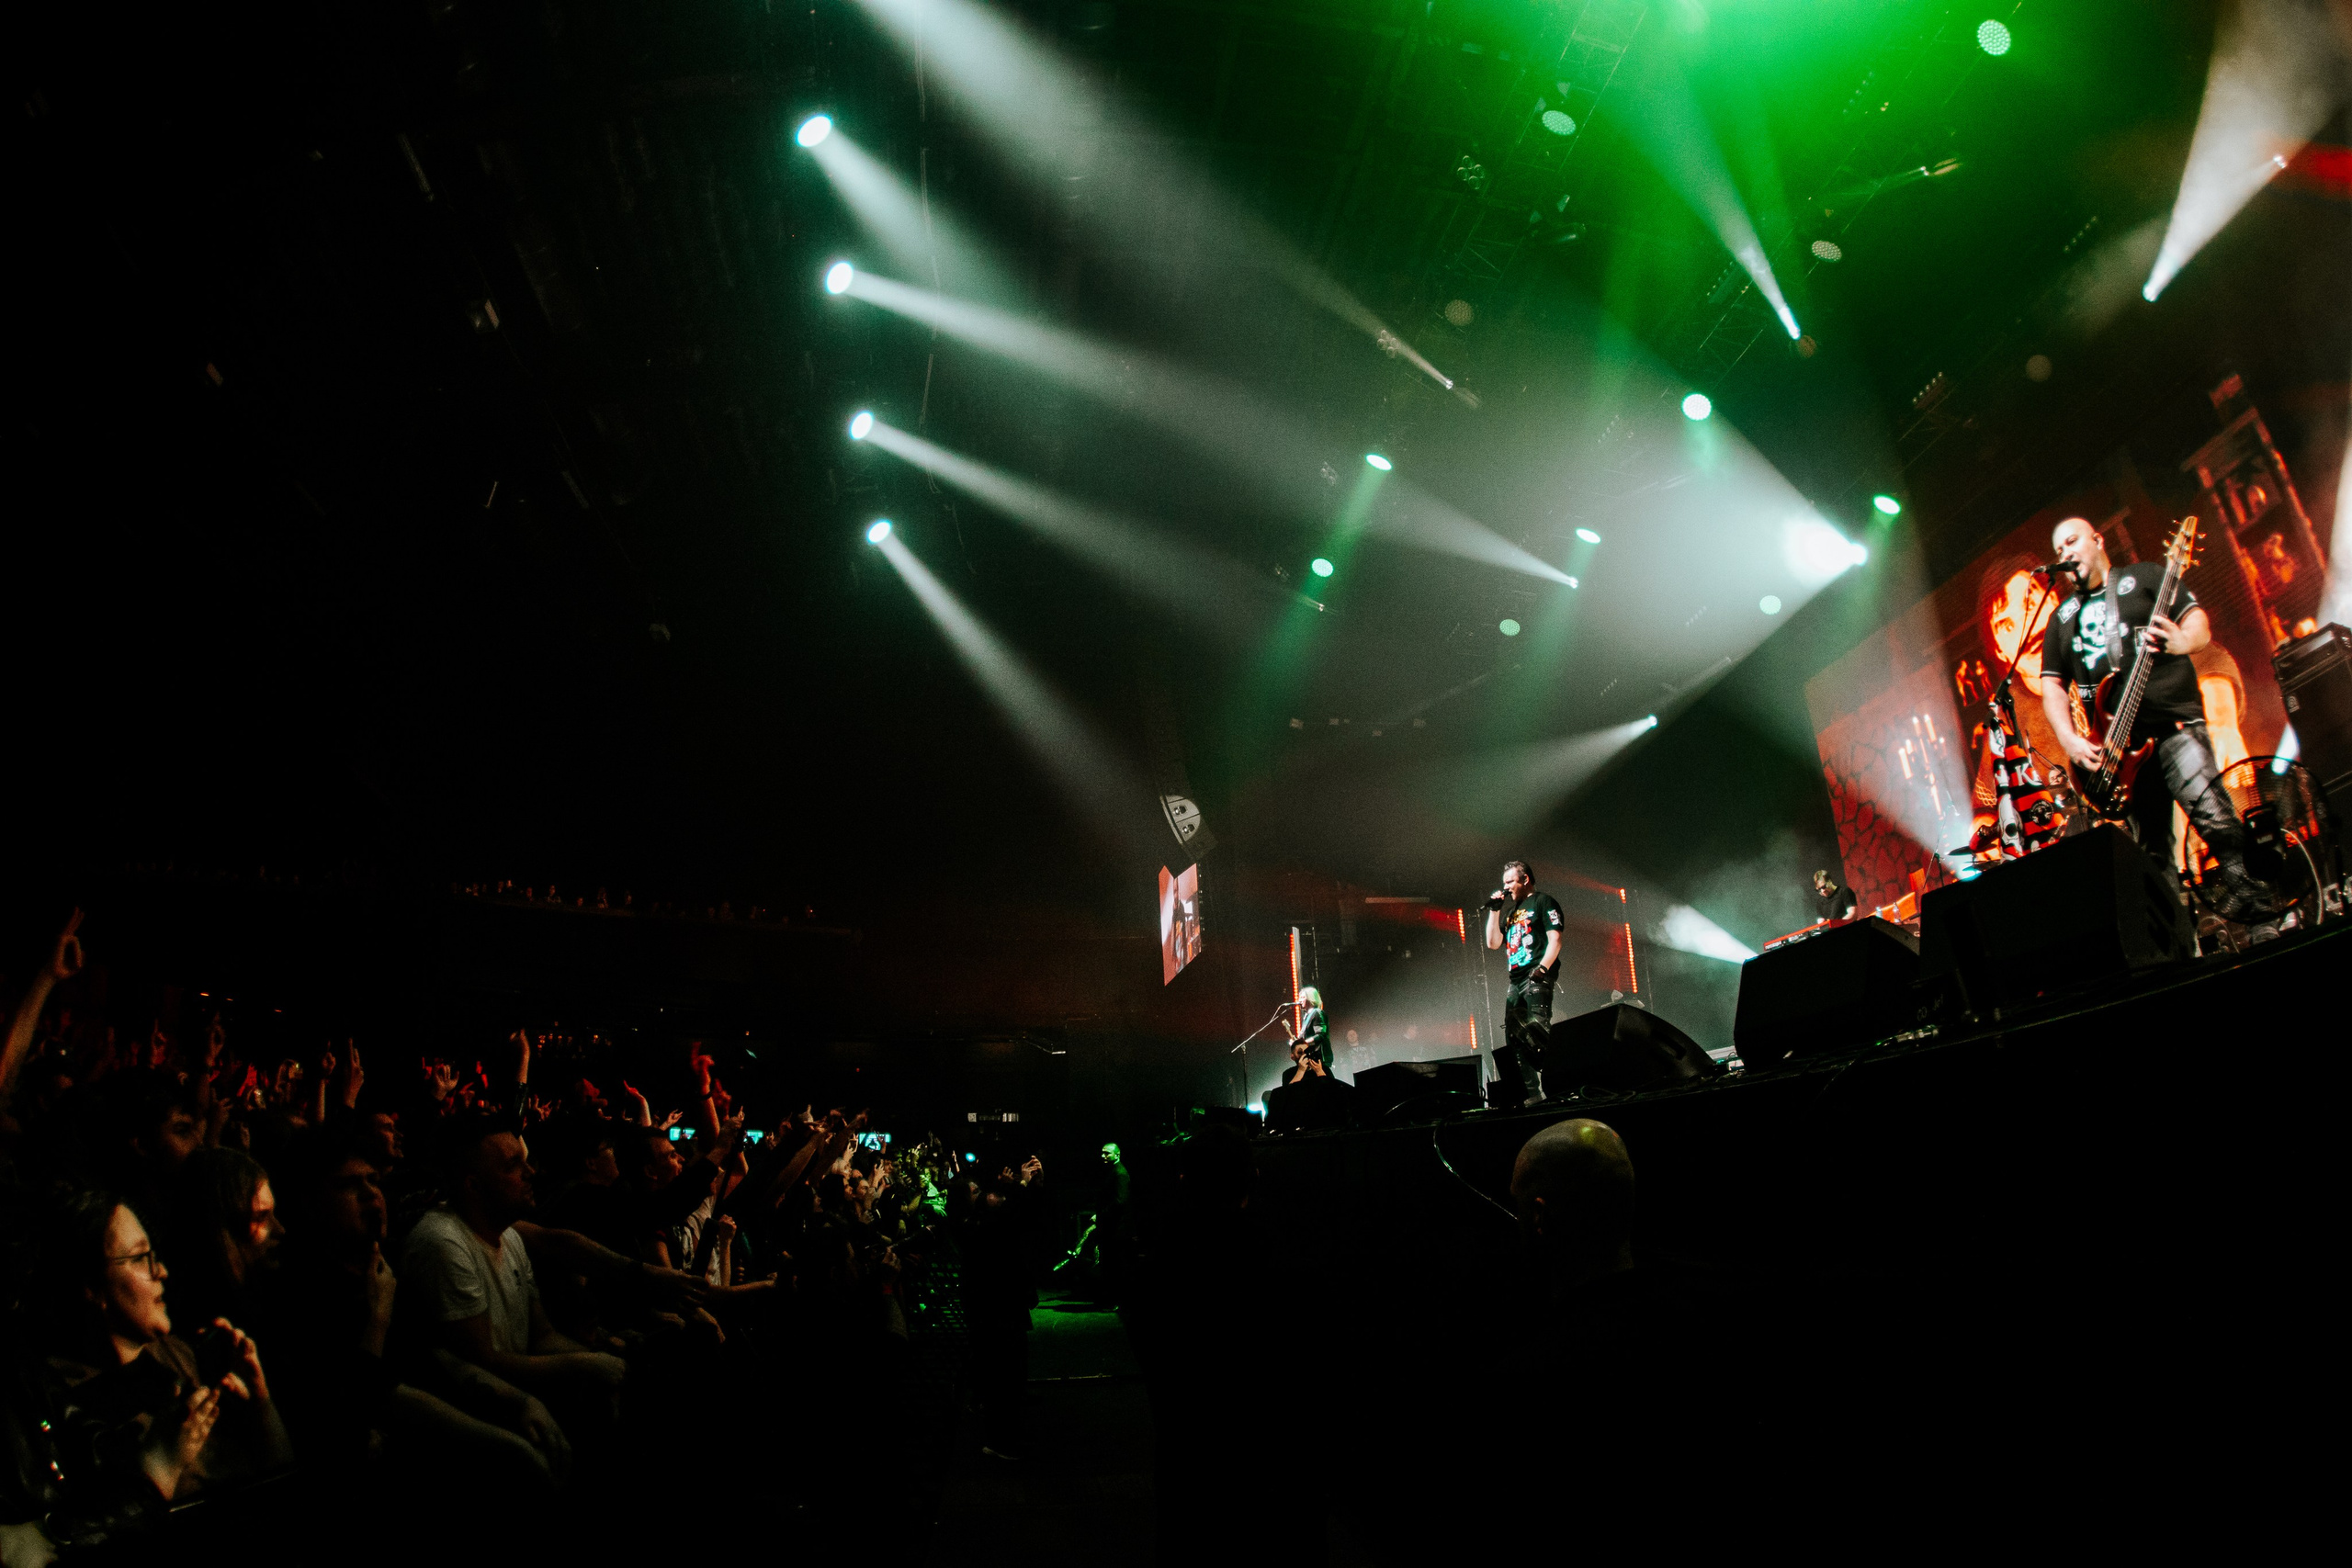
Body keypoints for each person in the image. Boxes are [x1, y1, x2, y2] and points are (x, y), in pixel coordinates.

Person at [2038, 517, 2283, 920]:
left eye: (2072, 541)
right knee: (2153, 856)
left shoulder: (2146, 577)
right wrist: (2069, 740)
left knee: (2216, 821)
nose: (2065, 553)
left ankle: (2263, 919)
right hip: (2123, 754)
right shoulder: (2062, 618)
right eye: (2058, 549)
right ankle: (2181, 945)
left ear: (2098, 540)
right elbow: (2051, 686)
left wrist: (2183, 640)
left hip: (2175, 729)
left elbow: (2197, 621)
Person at [1484, 860, 1563, 1107]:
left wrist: (1543, 968)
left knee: (1537, 1034)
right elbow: (1493, 943)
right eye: (1504, 883)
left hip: (1536, 975)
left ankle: (1559, 1087)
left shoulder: (1543, 902)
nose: (1506, 887)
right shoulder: (1510, 912)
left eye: (1510, 882)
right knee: (1515, 1040)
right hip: (1515, 981)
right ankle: (1532, 1096)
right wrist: (1495, 910)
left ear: (1525, 879)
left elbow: (1555, 939)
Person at [1283, 987, 1330, 1078]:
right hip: (1310, 1059)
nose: (1299, 1000)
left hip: (1320, 1059)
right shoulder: (1307, 1016)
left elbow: (1321, 1035)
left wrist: (1304, 1043)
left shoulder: (1317, 1013)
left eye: (1302, 997)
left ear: (1310, 998)